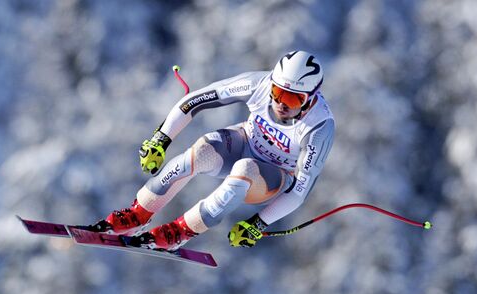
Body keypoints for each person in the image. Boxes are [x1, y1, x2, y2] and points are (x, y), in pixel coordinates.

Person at [89, 50, 335, 251]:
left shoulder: (319, 127)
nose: (281, 103)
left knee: (245, 168)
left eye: (293, 99)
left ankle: (181, 231)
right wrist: (161, 139)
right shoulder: (259, 84)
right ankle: (137, 214)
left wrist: (258, 224)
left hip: (273, 177)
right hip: (245, 142)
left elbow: (299, 192)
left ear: (311, 98)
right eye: (278, 92)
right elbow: (194, 101)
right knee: (203, 150)